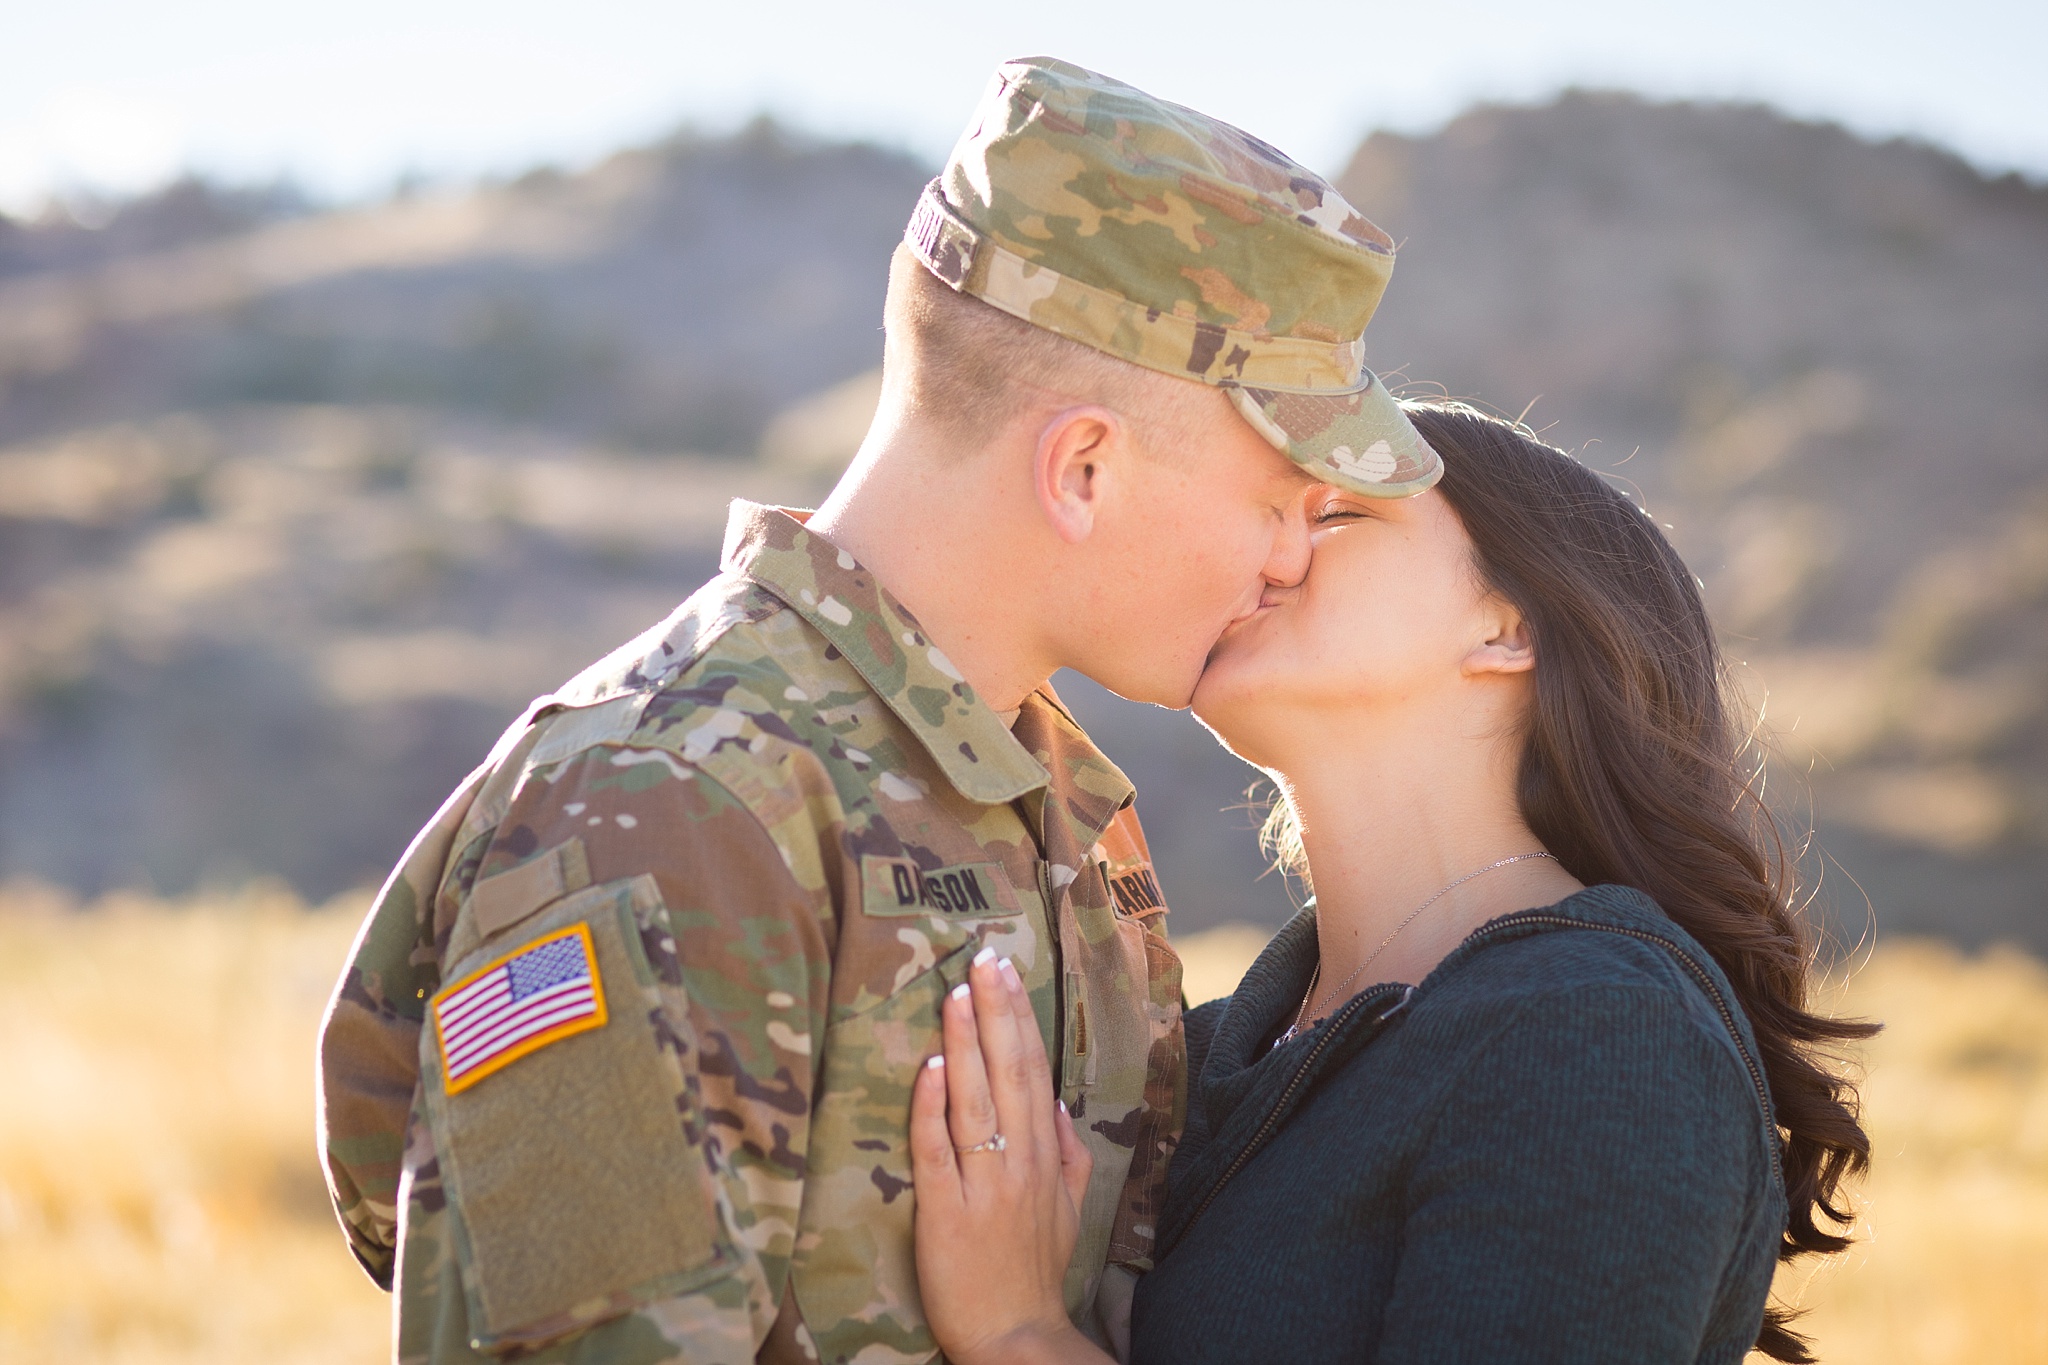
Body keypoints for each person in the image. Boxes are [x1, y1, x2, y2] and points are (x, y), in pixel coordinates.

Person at [315, 56, 1444, 1365]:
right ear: (1083, 468)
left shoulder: (1061, 814)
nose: (1297, 559)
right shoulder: (670, 805)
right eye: (1277, 501)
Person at [909, 403, 1876, 1364]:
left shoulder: (1601, 1032)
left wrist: (1018, 1336)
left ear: (1507, 626)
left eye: (1334, 516)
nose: (1273, 552)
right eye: (1265, 511)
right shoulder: (1197, 1051)